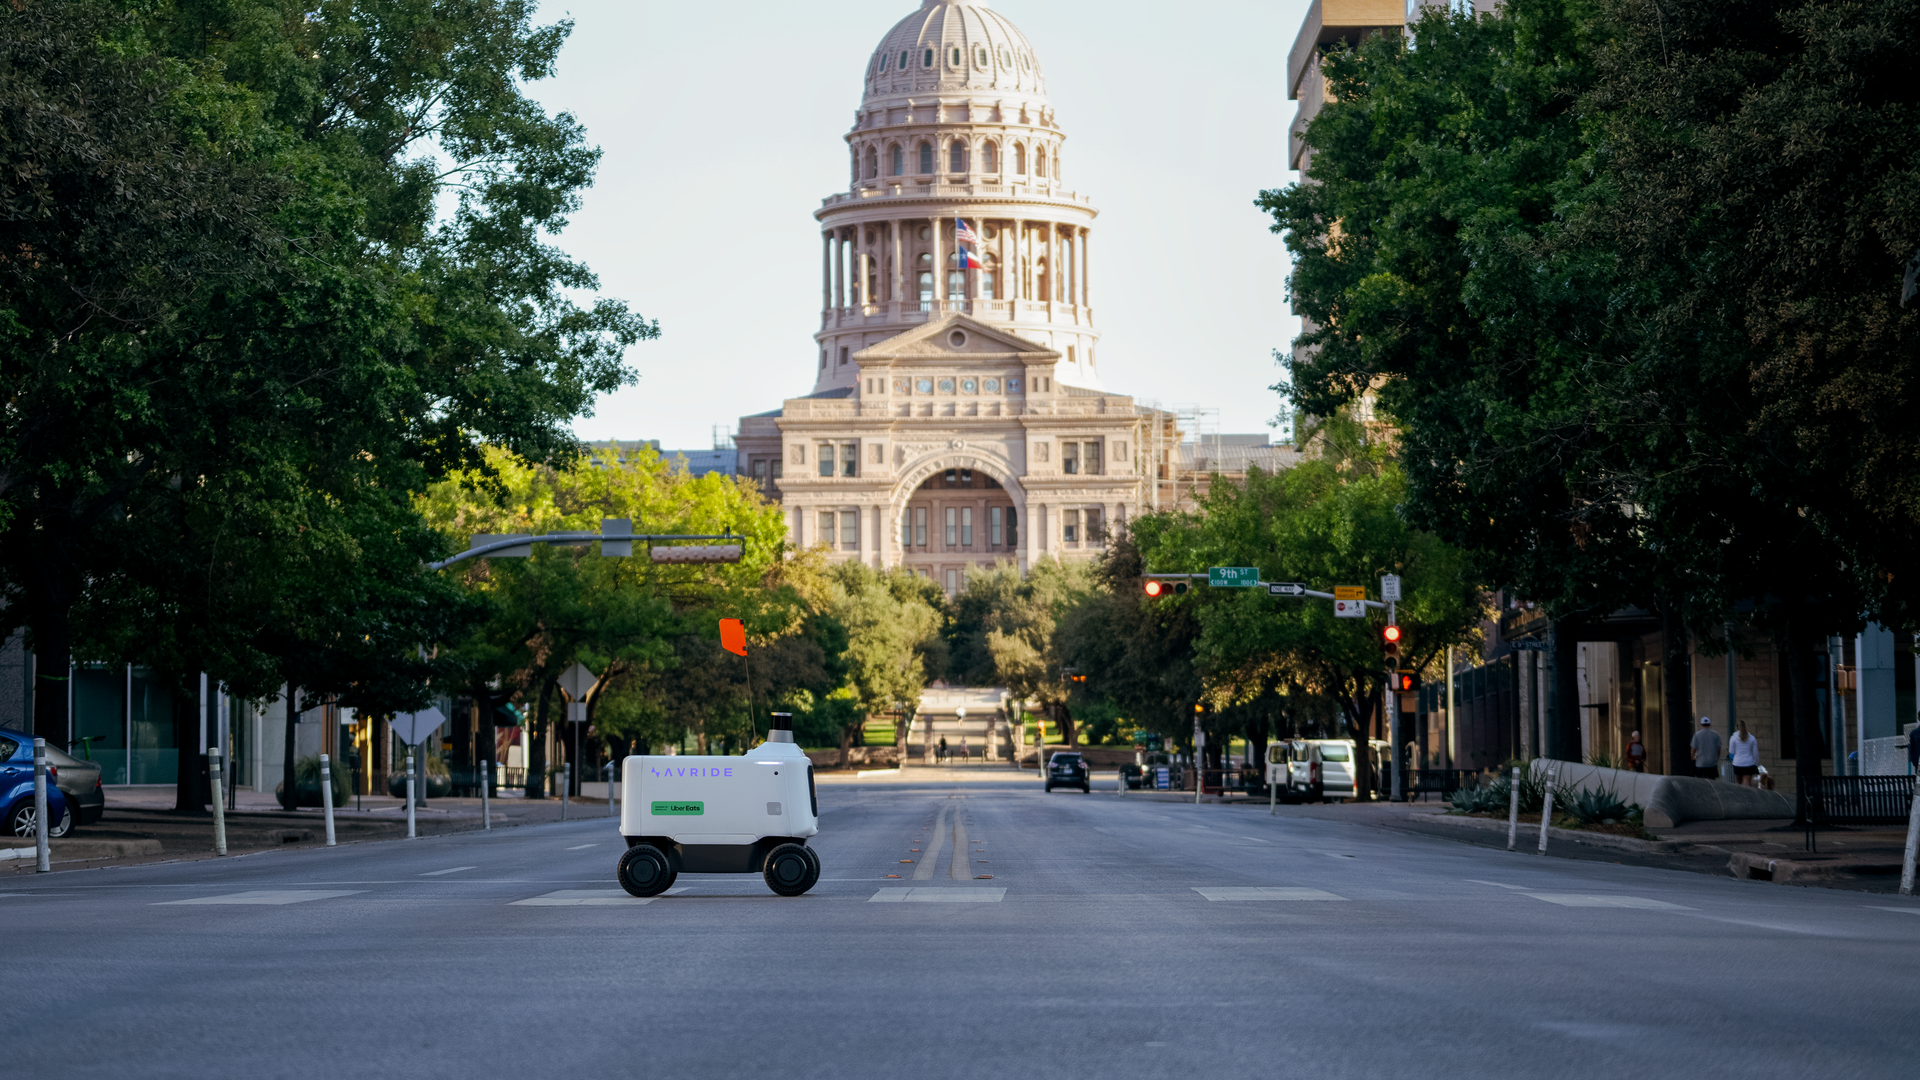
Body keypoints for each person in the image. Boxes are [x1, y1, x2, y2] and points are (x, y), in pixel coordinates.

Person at [1729, 719, 1760, 786]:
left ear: (1736, 728)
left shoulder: (1733, 738)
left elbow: (1731, 752)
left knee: (1739, 784)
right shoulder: (1752, 738)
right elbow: (1755, 753)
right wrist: (1756, 764)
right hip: (1748, 763)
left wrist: (1733, 758)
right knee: (1747, 784)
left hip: (1737, 763)